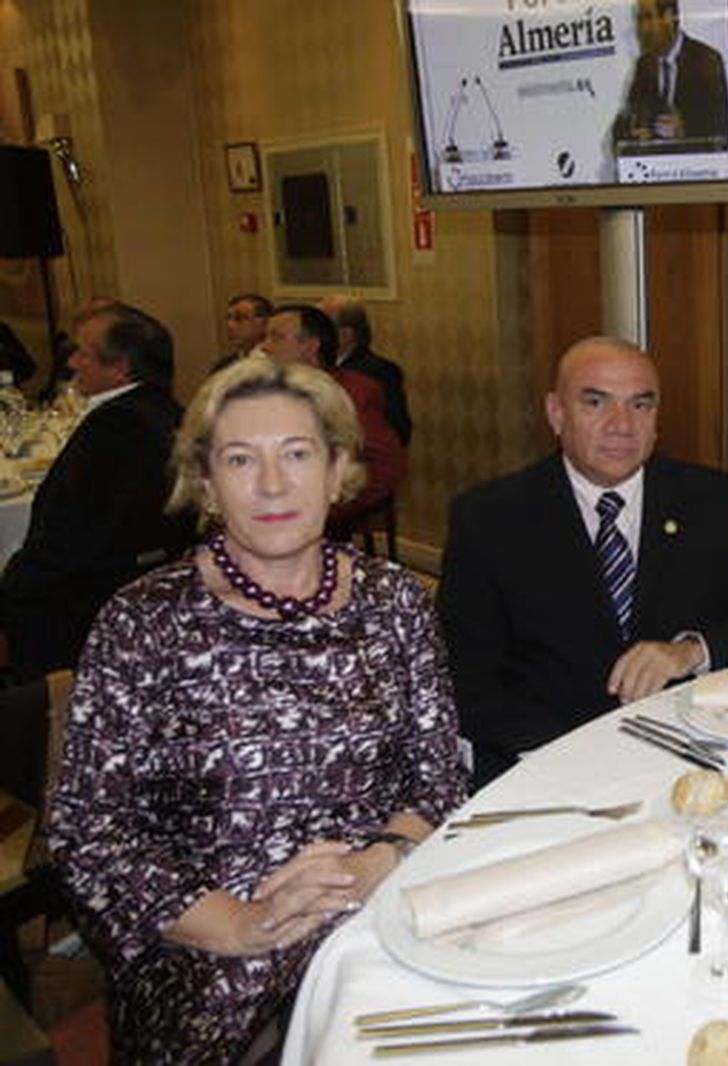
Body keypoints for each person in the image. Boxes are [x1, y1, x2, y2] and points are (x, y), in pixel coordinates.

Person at [47, 356, 466, 1064]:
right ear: (206, 483)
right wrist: (244, 925)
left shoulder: (396, 603)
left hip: (372, 923)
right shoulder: (144, 621)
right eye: (241, 460)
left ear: (338, 471)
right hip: (208, 960)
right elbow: (88, 833)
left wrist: (374, 867)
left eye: (297, 455)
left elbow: (437, 782)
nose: (273, 485)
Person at [440, 336, 728, 786]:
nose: (621, 425)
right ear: (556, 413)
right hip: (548, 764)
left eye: (640, 405)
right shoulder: (490, 518)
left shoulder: (714, 500)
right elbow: (464, 678)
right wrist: (581, 757)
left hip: (690, 756)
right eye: (596, 402)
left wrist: (690, 651)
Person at [0, 302, 192, 681]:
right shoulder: (165, 409)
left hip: (84, 605)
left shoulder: (118, 426)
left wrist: (11, 587)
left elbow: (74, 536)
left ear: (121, 368)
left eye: (83, 354)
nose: (71, 363)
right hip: (142, 580)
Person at [262, 303, 406, 533]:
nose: (265, 347)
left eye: (276, 338)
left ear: (310, 346)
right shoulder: (263, 392)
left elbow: (386, 465)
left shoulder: (351, 393)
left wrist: (332, 507)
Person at [614, 0, 728, 150]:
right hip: (655, 169)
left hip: (694, 169)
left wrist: (684, 130)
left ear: (669, 17)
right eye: (640, 20)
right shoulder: (644, 65)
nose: (642, 29)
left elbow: (722, 134)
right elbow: (625, 123)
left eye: (648, 18)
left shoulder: (705, 60)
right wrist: (633, 134)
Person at [319, 294, 412, 446]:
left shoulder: (380, 371)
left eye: (322, 328)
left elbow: (398, 433)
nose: (314, 334)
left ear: (345, 334)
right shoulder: (313, 367)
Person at [212, 293, 273, 374]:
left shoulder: (276, 364)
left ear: (263, 322)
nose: (230, 325)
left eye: (238, 318)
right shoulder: (223, 365)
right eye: (229, 318)